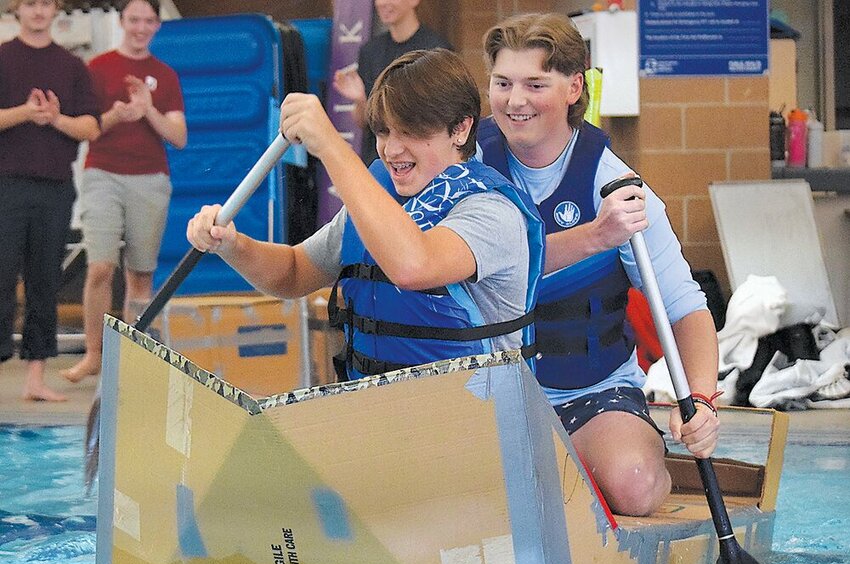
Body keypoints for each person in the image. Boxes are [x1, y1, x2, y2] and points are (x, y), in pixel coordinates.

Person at [479, 13, 720, 517]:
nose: (514, 101)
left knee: (635, 486)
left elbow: (685, 307)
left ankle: (617, 455)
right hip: (485, 394)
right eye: (502, 83)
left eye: (534, 84)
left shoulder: (618, 189)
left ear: (573, 87)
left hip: (592, 391)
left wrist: (699, 399)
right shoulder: (467, 167)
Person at [187, 49, 543, 381]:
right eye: (383, 132)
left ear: (461, 129)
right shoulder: (376, 203)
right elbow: (293, 272)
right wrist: (232, 245)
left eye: (412, 132)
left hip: (478, 424)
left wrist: (329, 145)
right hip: (384, 418)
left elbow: (412, 265)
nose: (392, 149)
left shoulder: (491, 212)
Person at [61, 0, 187, 384]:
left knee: (140, 277)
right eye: (134, 20)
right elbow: (85, 128)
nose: (141, 28)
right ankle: (95, 354)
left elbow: (178, 137)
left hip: (150, 179)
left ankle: (133, 361)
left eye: (149, 21)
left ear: (156, 26)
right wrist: (118, 113)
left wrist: (147, 109)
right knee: (100, 266)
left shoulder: (165, 75)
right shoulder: (97, 68)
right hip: (103, 173)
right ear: (121, 22)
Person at [0, 0, 100, 401]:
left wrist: (56, 119)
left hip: (55, 188)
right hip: (6, 184)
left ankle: (36, 379)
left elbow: (91, 125)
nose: (38, 11)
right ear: (17, 10)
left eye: (45, 3)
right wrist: (25, 112)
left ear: (55, 10)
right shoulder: (3, 58)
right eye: (30, 4)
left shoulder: (72, 66)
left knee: (44, 281)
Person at [332, 0, 451, 165]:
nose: (382, 3)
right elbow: (364, 121)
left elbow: (441, 117)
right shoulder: (370, 51)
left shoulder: (436, 50)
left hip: (420, 163)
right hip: (379, 164)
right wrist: (360, 100)